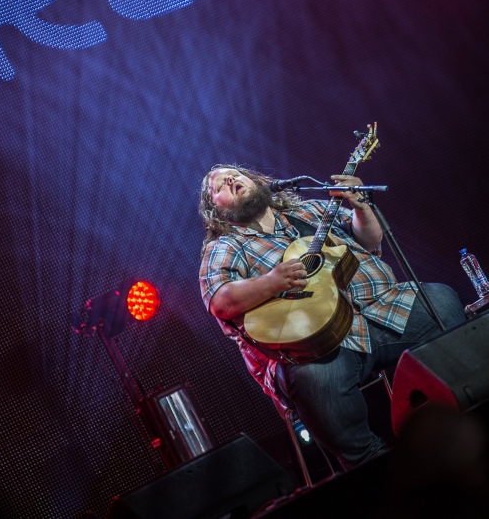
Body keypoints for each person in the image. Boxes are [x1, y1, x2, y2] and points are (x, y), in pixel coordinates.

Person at [198, 164, 467, 469]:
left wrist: (360, 206)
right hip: (317, 348)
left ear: (258, 181)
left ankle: (451, 421)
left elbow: (369, 241)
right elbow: (220, 300)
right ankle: (378, 469)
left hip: (383, 310)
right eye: (218, 185)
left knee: (441, 300)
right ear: (214, 211)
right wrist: (271, 281)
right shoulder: (226, 246)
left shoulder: (312, 210)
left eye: (235, 173)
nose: (231, 179)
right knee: (313, 379)